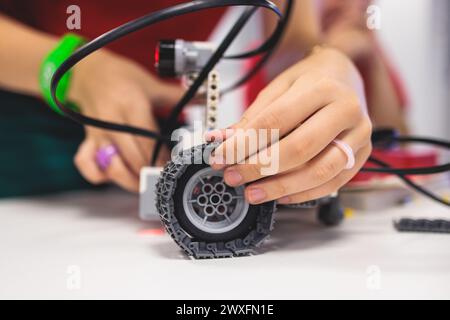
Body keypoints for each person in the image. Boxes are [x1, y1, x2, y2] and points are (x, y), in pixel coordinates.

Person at [0, 1, 404, 204]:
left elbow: (291, 46)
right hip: (33, 129)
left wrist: (331, 62)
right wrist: (75, 71)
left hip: (163, 137)